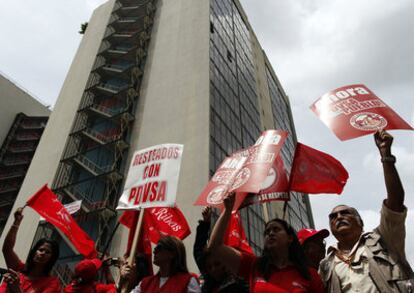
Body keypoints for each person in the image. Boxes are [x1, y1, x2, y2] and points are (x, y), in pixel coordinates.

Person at [319, 130, 414, 292]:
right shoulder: (326, 265)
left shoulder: (384, 239)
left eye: (345, 213)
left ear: (360, 222)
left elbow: (395, 202)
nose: (339, 217)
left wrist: (386, 156)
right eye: (333, 217)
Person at [208, 193, 324, 292]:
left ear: (290, 238)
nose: (270, 233)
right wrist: (228, 211)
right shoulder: (254, 266)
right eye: (267, 232)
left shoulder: (310, 275)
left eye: (276, 229)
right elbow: (215, 247)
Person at [1, 207, 61, 292]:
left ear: (52, 258)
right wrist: (16, 222)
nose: (43, 253)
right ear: (34, 252)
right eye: (40, 249)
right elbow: (7, 249)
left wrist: (16, 288)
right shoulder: (18, 268)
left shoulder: (52, 283)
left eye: (48, 252)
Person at [193, 207, 249, 293]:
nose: (213, 269)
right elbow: (198, 251)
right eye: (209, 267)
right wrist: (205, 224)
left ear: (226, 261)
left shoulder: (240, 285)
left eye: (217, 264)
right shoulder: (209, 283)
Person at [130, 235, 201, 292]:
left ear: (172, 254)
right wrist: (121, 281)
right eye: (155, 249)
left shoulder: (188, 281)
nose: (154, 252)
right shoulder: (145, 283)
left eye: (159, 248)